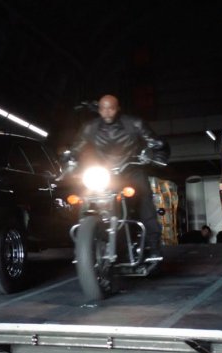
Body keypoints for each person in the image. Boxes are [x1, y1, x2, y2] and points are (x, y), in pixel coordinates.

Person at [64, 94, 168, 258]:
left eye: (111, 108)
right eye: (103, 108)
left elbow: (155, 142)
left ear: (118, 108)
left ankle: (154, 248)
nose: (107, 112)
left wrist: (153, 153)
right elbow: (77, 146)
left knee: (145, 204)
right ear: (99, 109)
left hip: (131, 171)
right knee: (86, 200)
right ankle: (85, 245)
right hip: (105, 174)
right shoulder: (90, 127)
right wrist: (70, 158)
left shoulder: (134, 124)